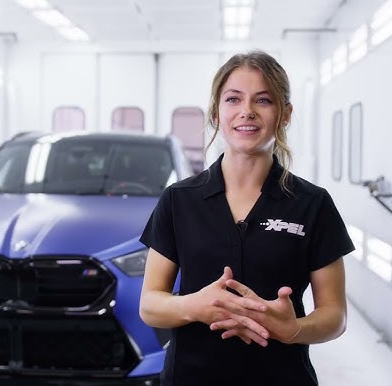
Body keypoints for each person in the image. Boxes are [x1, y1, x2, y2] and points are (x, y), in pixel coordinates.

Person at [139, 50, 354, 385]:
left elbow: (335, 315)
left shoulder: (313, 204)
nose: (246, 112)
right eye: (233, 99)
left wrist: (294, 329)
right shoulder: (179, 200)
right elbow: (150, 304)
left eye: (263, 100)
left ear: (285, 114)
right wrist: (195, 306)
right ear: (216, 112)